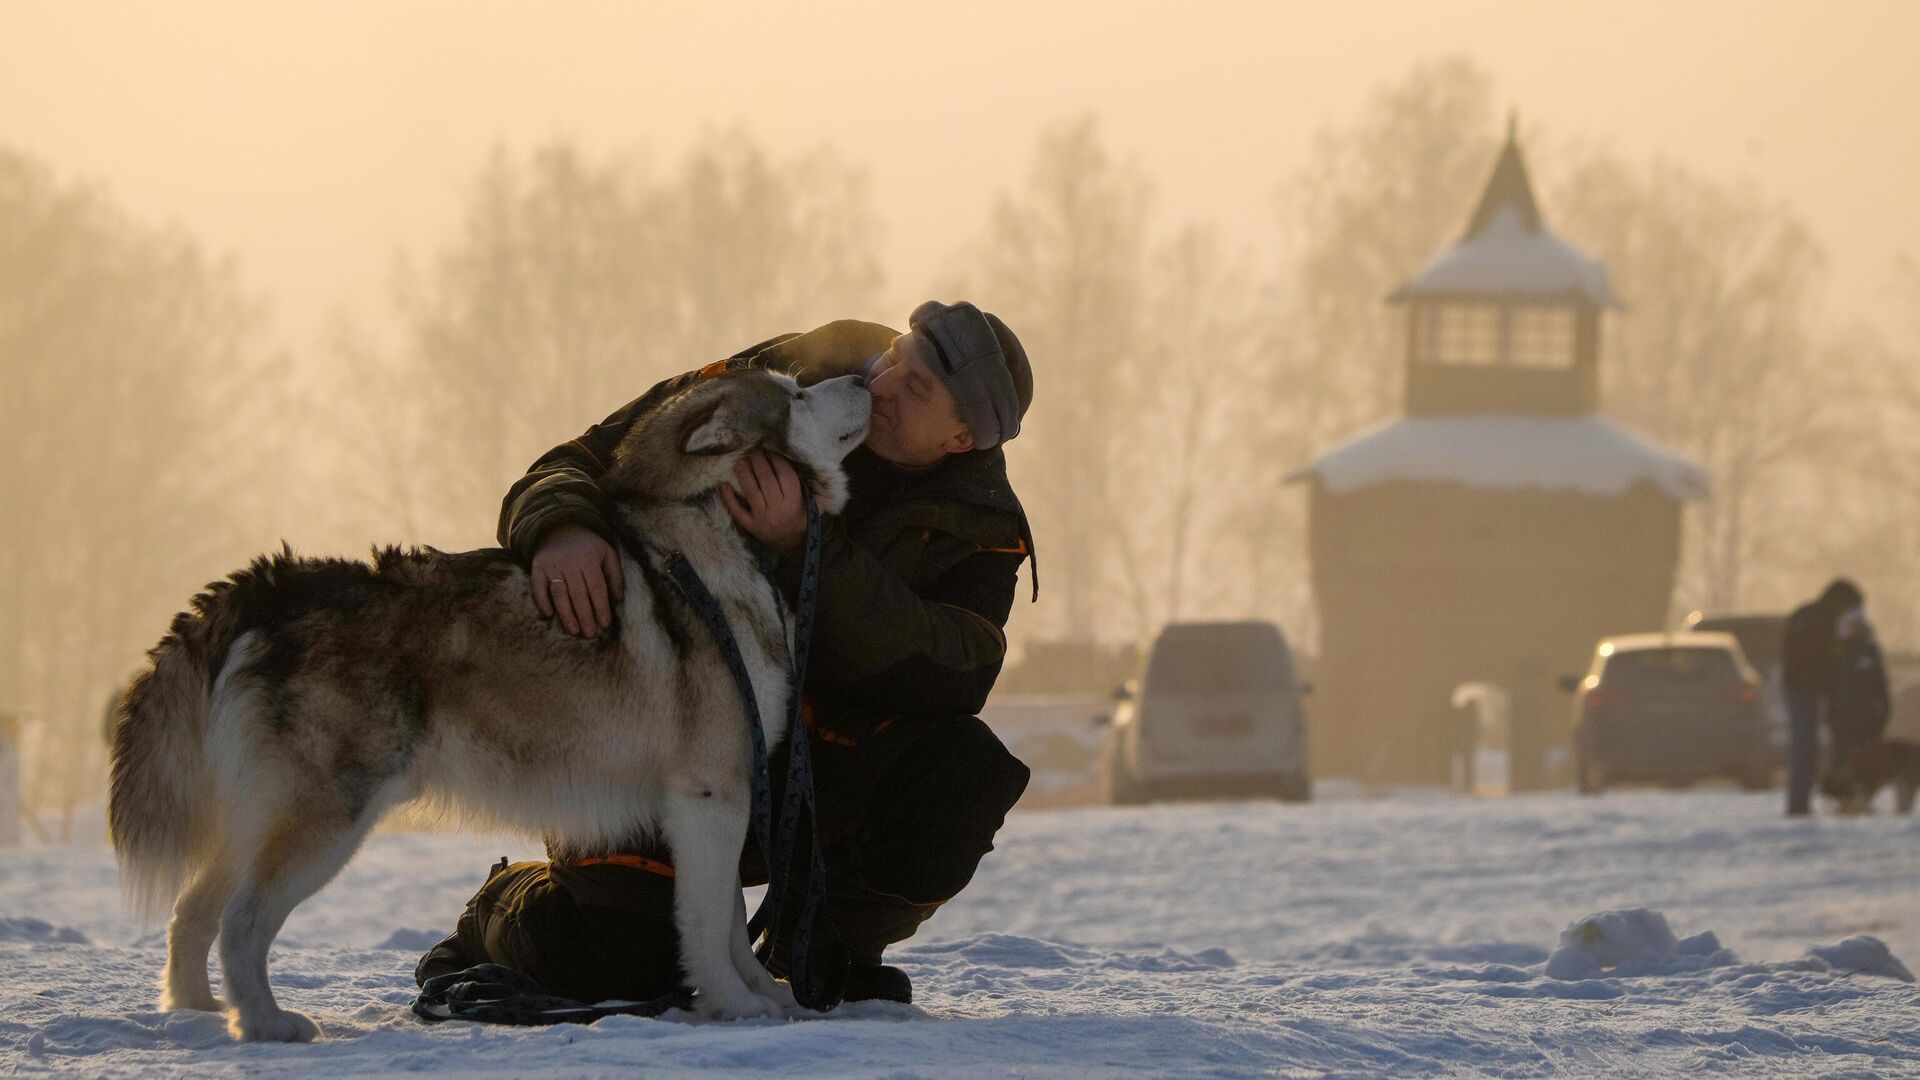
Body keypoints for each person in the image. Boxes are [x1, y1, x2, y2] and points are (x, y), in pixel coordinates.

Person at [415, 301, 1036, 1008]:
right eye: (898, 356)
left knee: (965, 774)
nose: (883, 384)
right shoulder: (774, 382)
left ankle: (827, 948)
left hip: (816, 770)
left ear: (960, 439)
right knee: (631, 964)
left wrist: (807, 547)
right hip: (654, 741)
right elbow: (582, 460)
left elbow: (951, 672)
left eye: (916, 388)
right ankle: (500, 907)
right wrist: (560, 528)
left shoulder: (981, 524)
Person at [1780, 578, 1864, 815]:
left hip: (1797, 686)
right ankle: (1799, 806)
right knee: (1806, 748)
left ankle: (1801, 803)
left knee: (1805, 747)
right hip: (1805, 689)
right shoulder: (1825, 621)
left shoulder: (1806, 614)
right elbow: (1826, 661)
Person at [1825, 602, 1892, 768]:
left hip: (1867, 717)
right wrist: (1831, 712)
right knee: (1843, 758)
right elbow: (1831, 685)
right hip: (1844, 717)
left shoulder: (1870, 651)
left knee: (1868, 758)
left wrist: (1884, 708)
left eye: (1857, 624)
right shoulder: (1837, 652)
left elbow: (1880, 682)